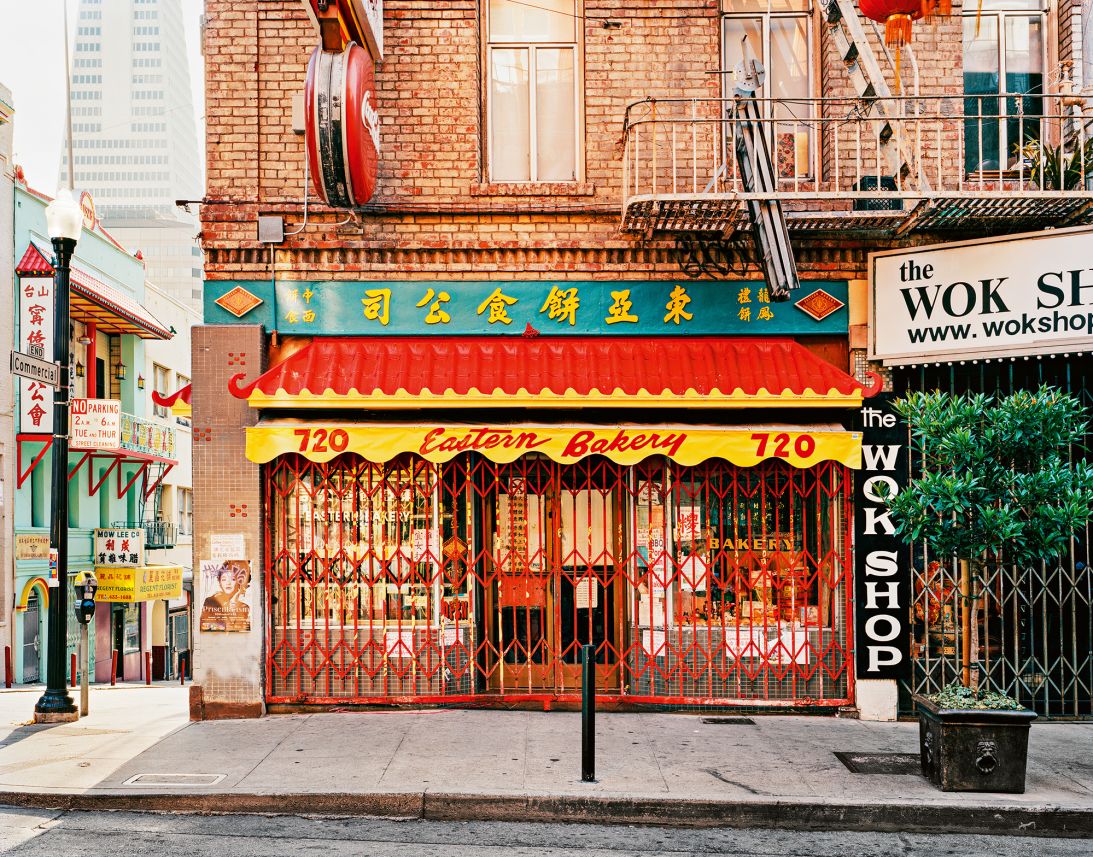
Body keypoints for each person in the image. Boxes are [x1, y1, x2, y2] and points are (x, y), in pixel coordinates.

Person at [199, 561, 251, 632]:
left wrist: (233, 601)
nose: (228, 583)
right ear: (220, 582)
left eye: (233, 579)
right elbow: (204, 626)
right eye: (224, 579)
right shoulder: (210, 601)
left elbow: (239, 628)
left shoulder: (244, 607)